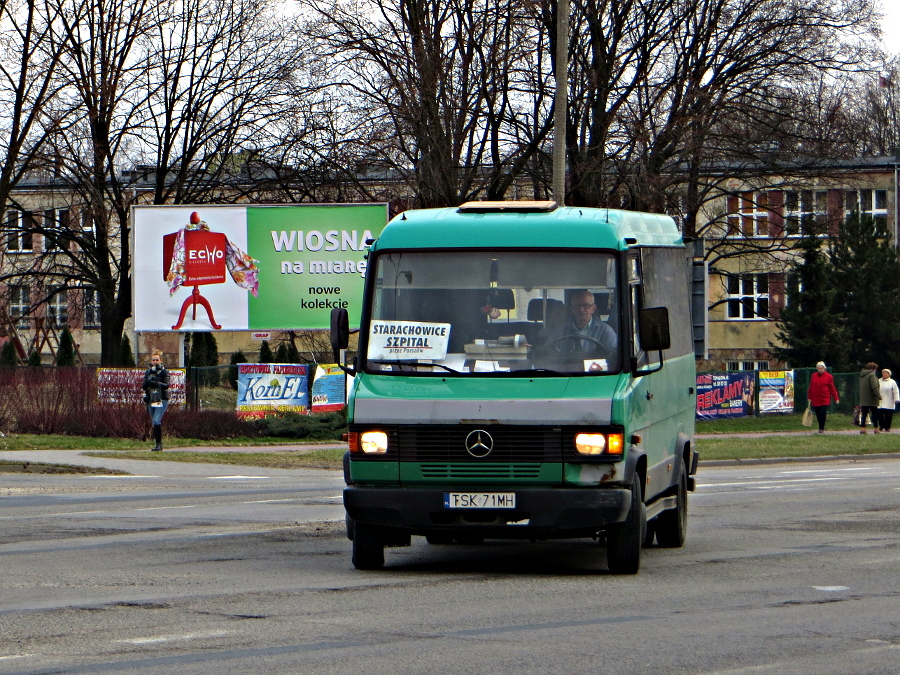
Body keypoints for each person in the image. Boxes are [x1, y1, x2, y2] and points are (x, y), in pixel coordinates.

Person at [142, 349, 170, 451]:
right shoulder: (148, 372)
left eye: (157, 360)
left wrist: (156, 383)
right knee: (154, 422)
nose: (155, 362)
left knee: (156, 419)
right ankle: (156, 443)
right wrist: (148, 382)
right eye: (153, 360)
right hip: (151, 399)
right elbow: (144, 385)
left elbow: (166, 385)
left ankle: (159, 444)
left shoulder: (164, 372)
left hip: (161, 399)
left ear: (160, 360)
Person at [807, 361, 839, 433]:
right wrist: (809, 397)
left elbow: (832, 388)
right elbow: (811, 386)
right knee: (818, 413)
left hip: (825, 398)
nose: (820, 370)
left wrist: (836, 398)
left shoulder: (829, 377)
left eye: (821, 368)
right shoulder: (814, 375)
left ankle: (821, 428)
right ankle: (820, 425)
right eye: (818, 369)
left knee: (822, 412)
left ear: (824, 368)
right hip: (816, 398)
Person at [858, 361, 881, 434]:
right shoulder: (871, 375)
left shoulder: (862, 375)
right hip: (871, 398)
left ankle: (862, 428)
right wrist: (878, 396)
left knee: (864, 414)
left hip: (863, 398)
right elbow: (874, 386)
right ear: (873, 369)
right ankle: (876, 428)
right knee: (874, 414)